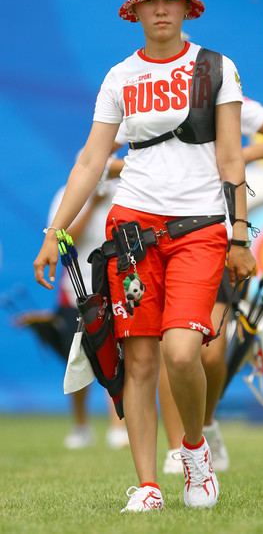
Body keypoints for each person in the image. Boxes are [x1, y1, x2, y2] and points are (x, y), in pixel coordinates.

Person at [34, 0, 256, 512]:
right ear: (133, 13)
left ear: (186, 8)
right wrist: (54, 233)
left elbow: (231, 157)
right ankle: (149, 486)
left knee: (183, 352)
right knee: (137, 361)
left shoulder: (216, 68)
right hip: (131, 229)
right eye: (149, 2)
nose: (161, 10)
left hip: (201, 227)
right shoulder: (118, 77)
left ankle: (195, 454)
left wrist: (240, 234)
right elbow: (91, 161)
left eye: (171, 0)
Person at [150, 97, 263, 473]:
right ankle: (177, 449)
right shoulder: (149, 96)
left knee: (210, 352)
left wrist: (241, 157)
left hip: (215, 239)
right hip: (161, 235)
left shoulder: (224, 98)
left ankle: (205, 424)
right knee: (169, 346)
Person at [48, 165, 130, 450]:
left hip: (115, 287)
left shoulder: (125, 192)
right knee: (79, 358)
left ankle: (118, 426)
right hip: (76, 291)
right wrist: (91, 202)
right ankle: (81, 426)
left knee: (117, 357)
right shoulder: (66, 195)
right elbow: (64, 239)